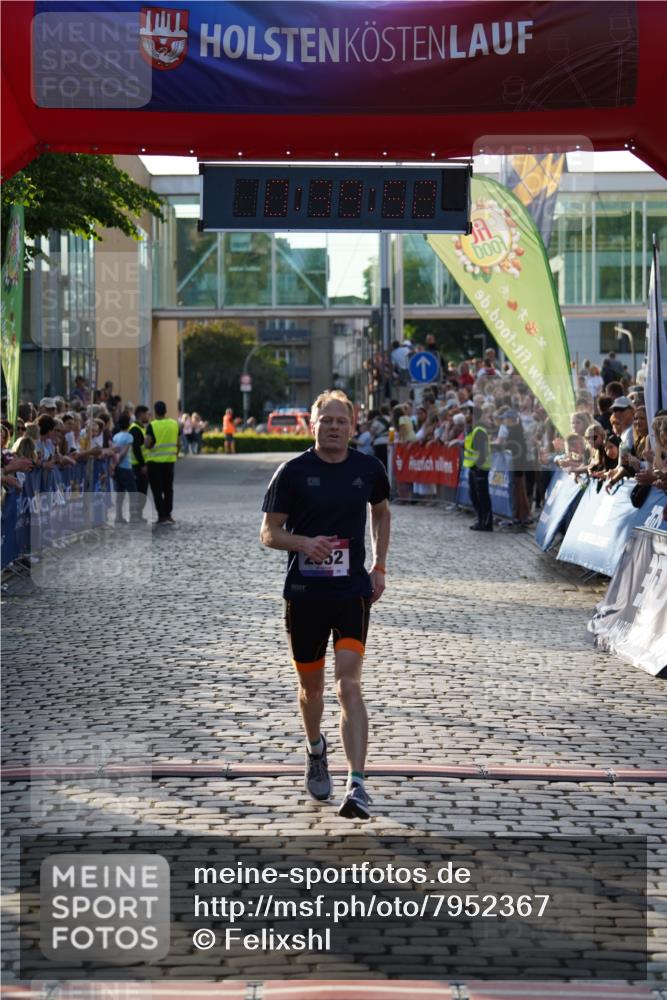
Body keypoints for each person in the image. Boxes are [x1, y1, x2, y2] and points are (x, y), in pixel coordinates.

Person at [260, 389, 391, 821]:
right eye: (326, 420)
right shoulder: (293, 472)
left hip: (351, 592)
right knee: (311, 690)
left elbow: (382, 512)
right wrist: (303, 542)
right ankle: (316, 748)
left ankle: (357, 784)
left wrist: (380, 565)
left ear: (353, 426)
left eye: (341, 421)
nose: (334, 427)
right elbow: (268, 533)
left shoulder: (368, 468)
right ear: (311, 425)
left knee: (348, 685)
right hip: (304, 595)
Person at [144, 401, 179, 525]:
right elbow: (178, 442)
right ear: (166, 410)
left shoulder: (152, 425)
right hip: (170, 461)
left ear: (155, 411)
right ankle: (168, 514)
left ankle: (162, 516)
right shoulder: (174, 424)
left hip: (154, 462)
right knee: (168, 489)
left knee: (157, 490)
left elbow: (147, 444)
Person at [464, 406, 493, 531]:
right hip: (473, 468)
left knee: (482, 497)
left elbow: (483, 451)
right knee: (475, 496)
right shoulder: (473, 430)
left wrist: (478, 467)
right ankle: (481, 520)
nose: (466, 416)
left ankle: (486, 523)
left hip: (480, 469)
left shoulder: (479, 431)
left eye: (468, 413)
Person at [111, 412, 136, 524]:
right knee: (133, 493)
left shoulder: (115, 436)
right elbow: (124, 452)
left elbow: (114, 451)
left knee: (120, 494)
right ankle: (133, 516)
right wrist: (118, 462)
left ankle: (118, 516)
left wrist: (114, 465)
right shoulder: (129, 437)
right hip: (126, 467)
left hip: (117, 469)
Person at [129, 405, 150, 522]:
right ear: (141, 414)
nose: (148, 416)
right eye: (147, 414)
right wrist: (143, 464)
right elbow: (136, 449)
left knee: (142, 492)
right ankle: (135, 516)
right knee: (139, 492)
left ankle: (138, 515)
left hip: (141, 465)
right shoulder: (135, 429)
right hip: (137, 466)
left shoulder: (141, 428)